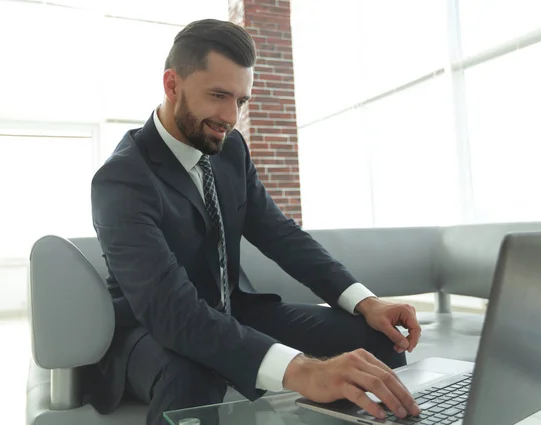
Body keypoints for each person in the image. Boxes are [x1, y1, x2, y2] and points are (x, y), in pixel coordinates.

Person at [89, 18, 422, 425]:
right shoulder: (121, 179)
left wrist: (366, 302)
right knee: (191, 376)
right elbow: (171, 310)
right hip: (151, 328)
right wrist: (304, 371)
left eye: (241, 101)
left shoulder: (229, 151)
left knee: (376, 342)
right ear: (172, 85)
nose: (230, 117)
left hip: (235, 311)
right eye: (218, 95)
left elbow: (281, 235)